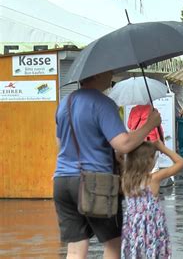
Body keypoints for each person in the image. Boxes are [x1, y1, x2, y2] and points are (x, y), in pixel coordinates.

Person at [54, 71, 162, 258]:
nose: (111, 75)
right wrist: (149, 124)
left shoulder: (65, 103)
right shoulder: (102, 103)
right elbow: (124, 144)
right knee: (113, 242)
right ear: (95, 75)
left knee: (75, 245)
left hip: (63, 181)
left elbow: (59, 143)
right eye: (107, 72)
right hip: (96, 183)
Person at [121, 140, 183, 257]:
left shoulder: (126, 179)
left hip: (133, 224)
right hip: (152, 223)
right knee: (154, 251)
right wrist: (162, 148)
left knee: (135, 251)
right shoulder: (154, 178)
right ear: (147, 161)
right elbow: (181, 162)